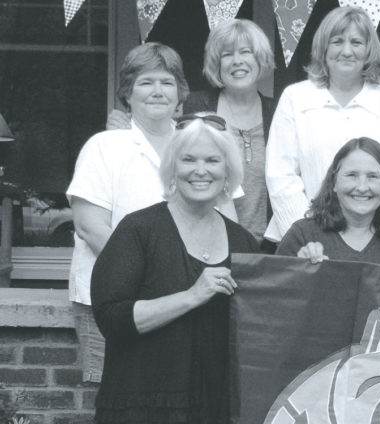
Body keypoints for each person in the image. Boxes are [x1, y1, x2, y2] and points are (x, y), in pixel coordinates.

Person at [90, 115, 259, 423]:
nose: (200, 170)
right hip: (142, 406)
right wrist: (193, 295)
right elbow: (111, 319)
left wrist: (309, 265)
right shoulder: (139, 230)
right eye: (188, 159)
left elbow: (264, 324)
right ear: (172, 168)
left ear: (228, 172)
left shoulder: (243, 242)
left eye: (212, 160)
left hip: (215, 409)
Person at [66, 42, 213, 384]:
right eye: (146, 82)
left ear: (180, 94)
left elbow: (225, 221)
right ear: (127, 93)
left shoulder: (200, 145)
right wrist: (154, 275)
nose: (158, 91)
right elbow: (90, 227)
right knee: (116, 402)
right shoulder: (104, 147)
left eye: (167, 82)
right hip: (110, 300)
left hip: (187, 301)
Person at [107, 19, 276, 247]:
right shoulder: (190, 107)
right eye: (227, 54)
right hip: (203, 244)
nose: (237, 61)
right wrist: (122, 122)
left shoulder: (279, 113)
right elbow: (151, 126)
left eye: (245, 52)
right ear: (217, 63)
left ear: (261, 58)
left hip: (270, 246)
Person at [266, 6, 380, 243]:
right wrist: (308, 235)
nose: (347, 51)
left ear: (369, 50)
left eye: (357, 42)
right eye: (337, 41)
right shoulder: (296, 98)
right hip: (306, 243)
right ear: (323, 48)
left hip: (377, 241)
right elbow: (281, 175)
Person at [276, 137, 380, 268]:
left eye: (373, 176)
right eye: (351, 175)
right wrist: (296, 270)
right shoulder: (302, 236)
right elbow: (274, 291)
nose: (362, 187)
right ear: (334, 183)